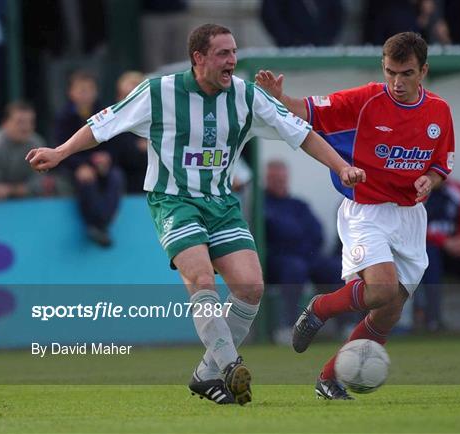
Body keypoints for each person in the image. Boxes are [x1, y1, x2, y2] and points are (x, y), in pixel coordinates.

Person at [27, 23, 363, 406]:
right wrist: (59, 152)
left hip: (221, 203)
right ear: (198, 58)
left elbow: (301, 133)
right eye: (223, 54)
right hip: (173, 199)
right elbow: (103, 125)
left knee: (251, 287)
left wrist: (340, 167)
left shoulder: (247, 97)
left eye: (234, 52)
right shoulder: (159, 92)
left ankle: (206, 375)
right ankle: (229, 364)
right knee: (200, 276)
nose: (232, 61)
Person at [256, 31, 455, 399]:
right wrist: (281, 97)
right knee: (379, 289)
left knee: (388, 312)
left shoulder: (439, 112)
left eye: (406, 73)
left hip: (411, 217)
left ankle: (329, 379)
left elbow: (441, 164)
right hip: (367, 211)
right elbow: (311, 111)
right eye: (391, 72)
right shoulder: (365, 100)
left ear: (423, 71)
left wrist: (430, 179)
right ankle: (319, 307)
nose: (397, 82)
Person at [264, 159, 344, 343]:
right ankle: (288, 326)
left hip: (307, 256)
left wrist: (294, 236)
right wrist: (293, 235)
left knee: (336, 267)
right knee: (295, 268)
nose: (279, 182)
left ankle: (343, 326)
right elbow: (276, 233)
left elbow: (317, 231)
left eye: (282, 178)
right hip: (279, 260)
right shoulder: (263, 205)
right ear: (267, 179)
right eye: (274, 178)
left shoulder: (298, 204)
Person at [55, 70, 124, 247]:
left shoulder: (106, 113)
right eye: (81, 90)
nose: (86, 94)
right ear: (71, 93)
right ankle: (97, 226)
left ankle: (101, 224)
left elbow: (114, 145)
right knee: (87, 181)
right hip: (74, 169)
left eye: (90, 90)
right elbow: (59, 149)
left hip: (101, 167)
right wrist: (80, 166)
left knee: (116, 177)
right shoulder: (63, 117)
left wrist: (106, 158)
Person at [418, 178, 460, 331]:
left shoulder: (458, 191)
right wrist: (443, 241)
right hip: (430, 249)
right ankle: (433, 319)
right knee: (428, 255)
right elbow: (410, 227)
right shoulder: (415, 192)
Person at [0, 101, 65, 199]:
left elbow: (40, 183)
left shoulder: (37, 143)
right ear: (5, 123)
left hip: (30, 202)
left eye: (30, 122)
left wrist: (10, 190)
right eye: (20, 122)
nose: (26, 127)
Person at [106, 71, 149, 194]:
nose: (131, 102)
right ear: (118, 97)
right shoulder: (110, 122)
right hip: (126, 186)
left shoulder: (158, 120)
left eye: (136, 97)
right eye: (126, 96)